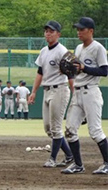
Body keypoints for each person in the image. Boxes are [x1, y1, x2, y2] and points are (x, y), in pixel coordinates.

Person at [61, 17, 108, 174]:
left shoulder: (98, 48)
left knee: (95, 131)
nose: (79, 32)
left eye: (82, 29)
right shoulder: (78, 48)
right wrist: (67, 70)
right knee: (70, 130)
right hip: (78, 91)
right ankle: (78, 165)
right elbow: (77, 69)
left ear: (91, 31)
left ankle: (107, 164)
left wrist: (84, 67)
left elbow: (104, 71)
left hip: (91, 92)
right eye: (78, 29)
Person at [28, 20, 74, 168]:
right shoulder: (43, 51)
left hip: (60, 89)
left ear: (58, 34)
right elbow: (40, 72)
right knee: (48, 128)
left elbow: (72, 73)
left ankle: (52, 159)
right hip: (47, 90)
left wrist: (75, 94)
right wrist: (34, 91)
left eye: (51, 31)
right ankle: (69, 155)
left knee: (56, 127)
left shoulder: (62, 51)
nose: (48, 33)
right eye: (46, 31)